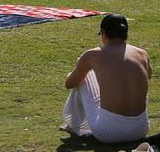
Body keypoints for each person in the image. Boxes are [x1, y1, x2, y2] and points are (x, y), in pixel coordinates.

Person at [62, 14, 151, 144]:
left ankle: (77, 126)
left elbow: (70, 83)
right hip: (140, 130)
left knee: (82, 77)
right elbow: (148, 75)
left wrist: (77, 68)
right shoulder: (142, 53)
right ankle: (78, 125)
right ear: (126, 33)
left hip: (108, 132)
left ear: (104, 33)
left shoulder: (93, 55)